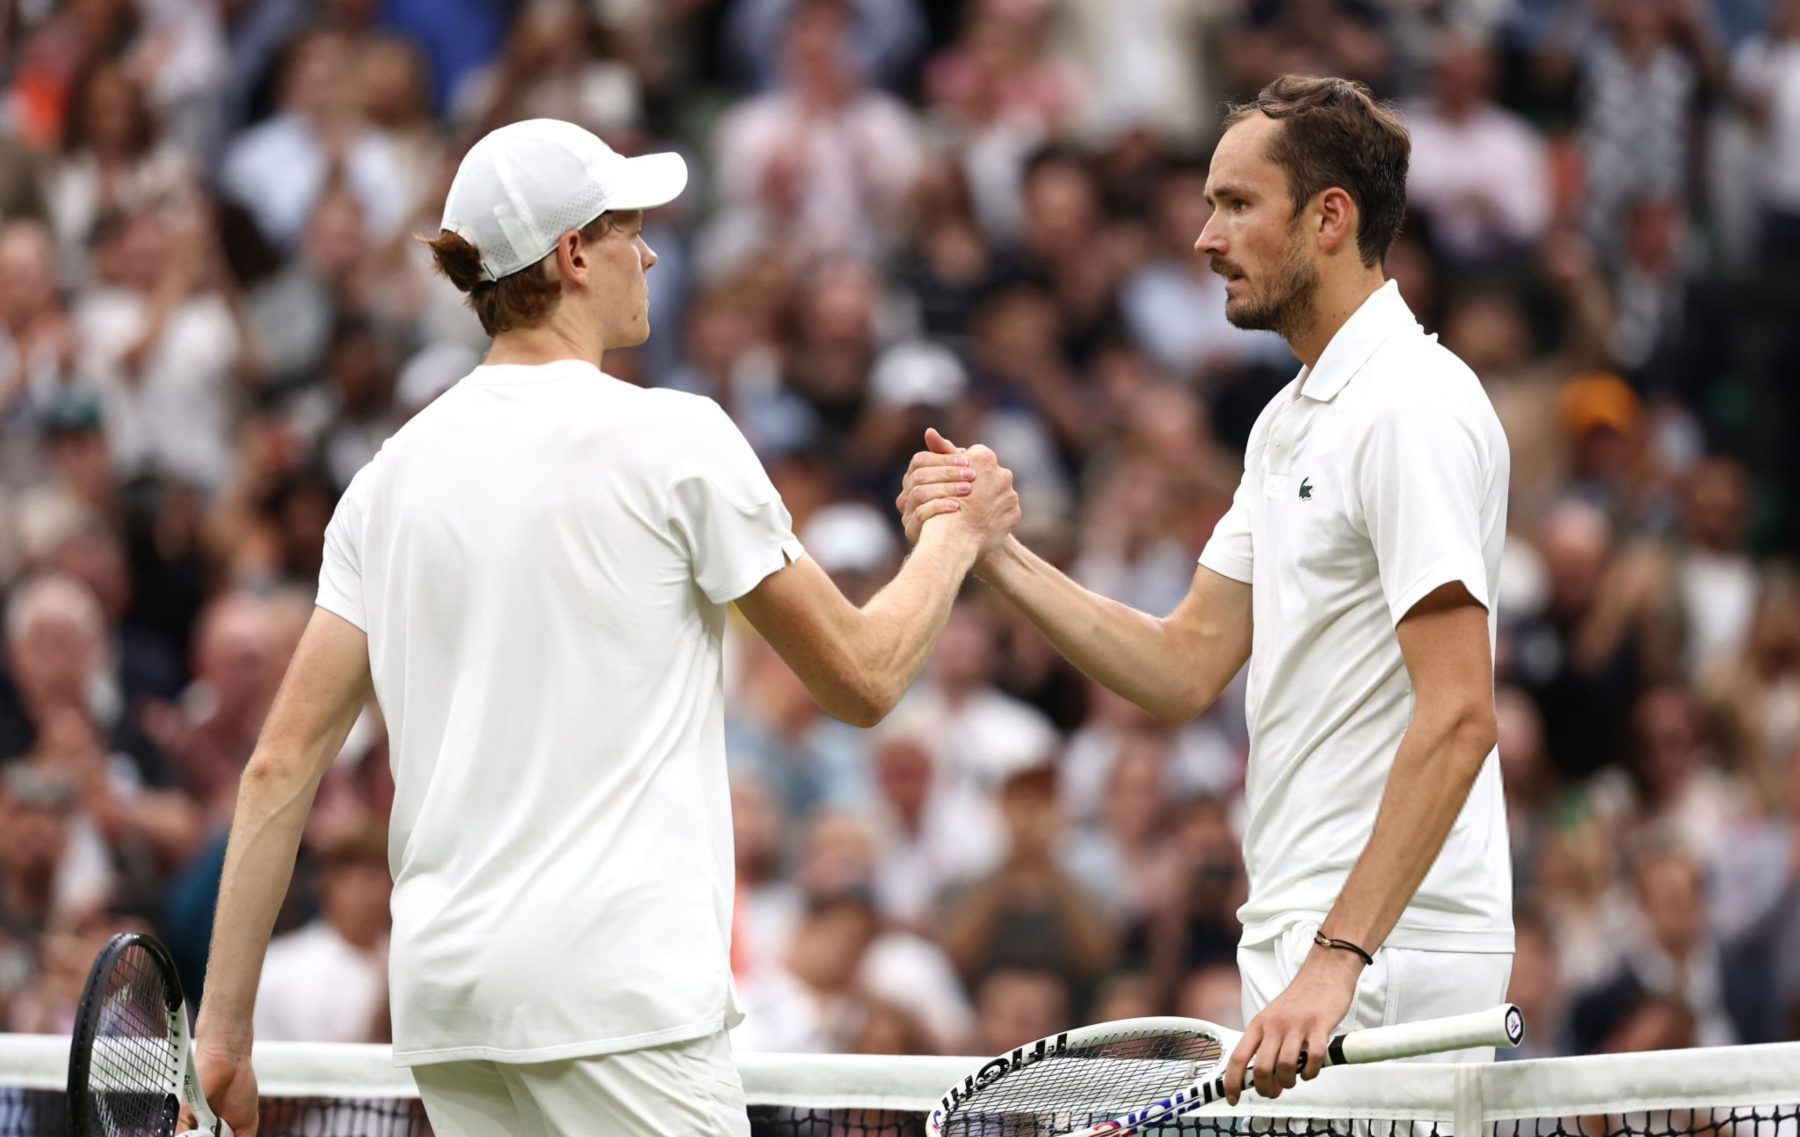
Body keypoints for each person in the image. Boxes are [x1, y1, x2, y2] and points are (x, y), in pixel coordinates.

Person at [192, 117, 1020, 1137]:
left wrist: (223, 1037)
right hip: (617, 1007)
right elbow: (864, 676)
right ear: (572, 254)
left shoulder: (384, 481)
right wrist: (954, 535)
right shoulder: (676, 437)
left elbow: (281, 764)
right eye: (629, 228)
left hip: (454, 1012)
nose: (652, 252)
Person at [899, 75, 1512, 1103]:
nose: (1203, 236)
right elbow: (1182, 666)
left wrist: (1339, 959)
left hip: (1387, 953)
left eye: (1235, 204)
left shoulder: (1411, 408)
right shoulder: (1287, 423)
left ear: (1330, 218)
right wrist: (993, 552)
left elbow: (1460, 716)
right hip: (1311, 934)